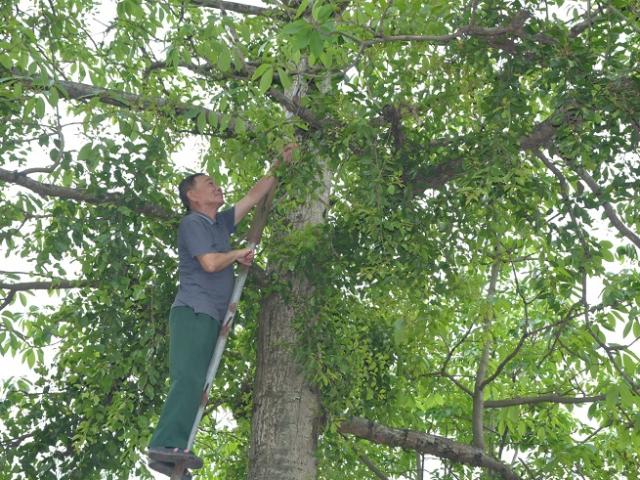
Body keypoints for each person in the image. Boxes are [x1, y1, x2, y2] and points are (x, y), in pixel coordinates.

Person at [147, 144, 296, 476]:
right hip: (193, 311)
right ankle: (164, 443)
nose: (216, 186)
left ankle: (174, 456)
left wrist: (277, 166)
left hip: (210, 316)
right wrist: (239, 253)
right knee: (187, 378)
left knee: (197, 382)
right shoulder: (193, 223)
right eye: (208, 183)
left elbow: (253, 197)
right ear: (193, 197)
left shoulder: (219, 224)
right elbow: (211, 263)